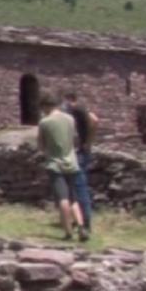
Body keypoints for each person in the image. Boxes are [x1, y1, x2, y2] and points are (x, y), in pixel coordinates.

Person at [38, 93, 88, 242]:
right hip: (72, 162)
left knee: (63, 198)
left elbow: (41, 145)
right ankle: (81, 226)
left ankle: (68, 231)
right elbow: (75, 139)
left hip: (55, 164)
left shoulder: (45, 122)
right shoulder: (70, 119)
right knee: (74, 198)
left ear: (46, 106)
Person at [63, 92, 99, 232]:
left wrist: (87, 142)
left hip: (77, 152)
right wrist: (89, 142)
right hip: (82, 150)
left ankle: (85, 223)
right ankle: (80, 220)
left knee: (78, 187)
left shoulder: (75, 110)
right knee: (77, 187)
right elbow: (94, 121)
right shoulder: (81, 109)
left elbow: (95, 120)